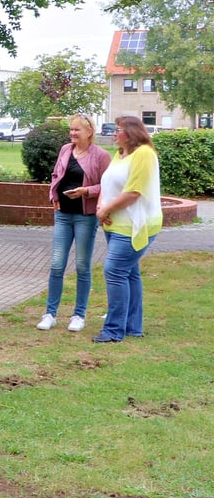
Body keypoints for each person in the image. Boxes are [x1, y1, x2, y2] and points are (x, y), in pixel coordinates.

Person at [36, 115, 111, 333]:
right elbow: (55, 175)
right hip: (63, 215)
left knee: (82, 265)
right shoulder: (65, 150)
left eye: (77, 130)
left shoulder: (101, 156)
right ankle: (50, 313)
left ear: (89, 132)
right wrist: (54, 196)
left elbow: (107, 185)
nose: (73, 134)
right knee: (57, 264)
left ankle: (79, 315)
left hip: (85, 216)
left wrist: (86, 191)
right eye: (71, 130)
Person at [93, 116, 162, 343]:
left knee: (114, 271)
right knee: (129, 273)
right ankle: (132, 326)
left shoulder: (144, 154)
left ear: (131, 132)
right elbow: (108, 183)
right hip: (115, 223)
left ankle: (113, 330)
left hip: (136, 224)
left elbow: (134, 192)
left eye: (118, 130)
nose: (114, 133)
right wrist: (102, 207)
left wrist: (106, 210)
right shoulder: (121, 154)